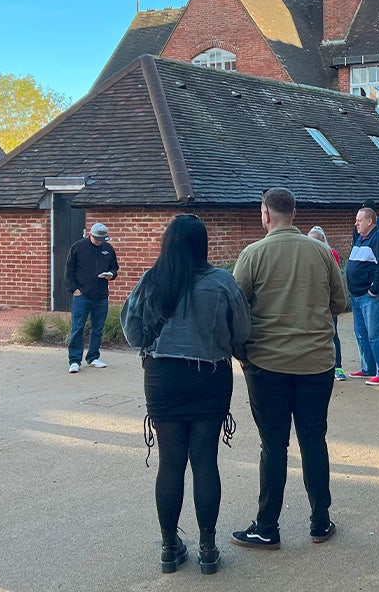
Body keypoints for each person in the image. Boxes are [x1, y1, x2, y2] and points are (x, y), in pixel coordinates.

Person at [121, 214, 252, 574]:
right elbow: (242, 332)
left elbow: (132, 333)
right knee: (205, 462)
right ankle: (208, 548)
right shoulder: (223, 282)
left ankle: (169, 546)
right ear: (203, 244)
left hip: (163, 379)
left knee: (170, 464)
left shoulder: (152, 280)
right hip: (209, 378)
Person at [231, 188, 349, 550]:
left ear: (265, 214)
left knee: (274, 445)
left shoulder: (253, 254)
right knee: (314, 440)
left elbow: (235, 309)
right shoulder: (321, 252)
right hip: (316, 362)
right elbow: (340, 302)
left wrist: (244, 354)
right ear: (294, 213)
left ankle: (267, 525)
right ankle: (320, 520)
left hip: (268, 364)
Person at [347, 207, 379, 385]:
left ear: (369, 221)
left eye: (359, 220)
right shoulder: (360, 237)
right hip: (357, 295)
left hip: (371, 295)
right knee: (361, 333)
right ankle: (368, 368)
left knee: (376, 333)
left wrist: (374, 288)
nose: (356, 223)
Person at [64, 222, 119, 372]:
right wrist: (74, 289)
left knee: (98, 328)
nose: (99, 241)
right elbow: (69, 269)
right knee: (78, 327)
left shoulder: (108, 249)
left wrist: (111, 275)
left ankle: (93, 356)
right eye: (96, 238)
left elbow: (114, 267)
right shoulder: (78, 247)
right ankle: (74, 360)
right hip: (82, 295)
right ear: (90, 234)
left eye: (102, 239)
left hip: (101, 295)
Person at [308, 227, 347, 380]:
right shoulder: (306, 257)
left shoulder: (331, 254)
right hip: (311, 302)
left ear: (323, 241)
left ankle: (337, 367)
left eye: (316, 241)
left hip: (327, 301)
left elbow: (335, 281)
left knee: (333, 333)